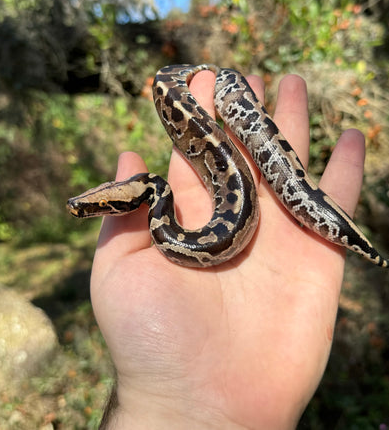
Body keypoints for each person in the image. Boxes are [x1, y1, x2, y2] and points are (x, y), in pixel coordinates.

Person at [90, 70, 367, 429]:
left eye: (99, 205)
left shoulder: (160, 208)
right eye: (96, 207)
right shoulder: (160, 206)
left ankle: (364, 246)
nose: (91, 209)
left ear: (129, 198)